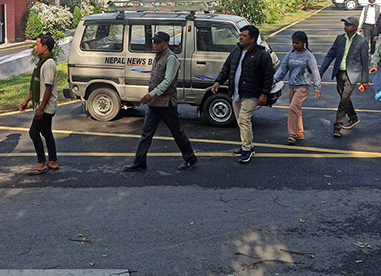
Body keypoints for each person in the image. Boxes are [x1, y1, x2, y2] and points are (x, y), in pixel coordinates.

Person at [124, 32, 198, 172]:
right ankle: (139, 162)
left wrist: (151, 95)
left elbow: (167, 82)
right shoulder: (158, 56)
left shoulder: (171, 59)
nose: (155, 45)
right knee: (146, 133)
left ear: (166, 43)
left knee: (177, 132)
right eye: (154, 42)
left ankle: (190, 158)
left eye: (158, 42)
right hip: (154, 104)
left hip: (166, 103)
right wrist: (152, 97)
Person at [211, 24, 275, 163]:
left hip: (251, 93)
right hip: (236, 92)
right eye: (240, 35)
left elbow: (268, 76)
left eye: (244, 35)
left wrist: (264, 94)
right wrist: (218, 81)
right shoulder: (236, 51)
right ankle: (248, 145)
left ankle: (246, 150)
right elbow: (227, 68)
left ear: (252, 39)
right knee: (241, 121)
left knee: (244, 119)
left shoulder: (262, 55)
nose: (240, 37)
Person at [320, 17, 370, 138]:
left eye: (347, 25)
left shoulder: (361, 42)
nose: (345, 26)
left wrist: (365, 80)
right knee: (344, 97)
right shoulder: (339, 39)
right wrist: (321, 70)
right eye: (345, 24)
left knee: (344, 99)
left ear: (354, 27)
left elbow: (365, 62)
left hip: (352, 74)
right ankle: (353, 117)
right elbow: (330, 54)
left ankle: (337, 126)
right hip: (339, 72)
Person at [20, 34, 59, 175]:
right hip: (42, 104)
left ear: (45, 47)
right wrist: (27, 100)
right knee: (46, 131)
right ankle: (53, 161)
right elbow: (38, 85)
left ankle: (41, 162)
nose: (35, 47)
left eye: (37, 45)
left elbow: (48, 88)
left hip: (46, 106)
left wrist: (41, 109)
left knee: (34, 132)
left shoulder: (48, 64)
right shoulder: (41, 62)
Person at [273, 31, 322, 145]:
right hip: (292, 86)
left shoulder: (308, 56)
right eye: (293, 43)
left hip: (303, 87)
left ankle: (292, 134)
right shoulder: (290, 54)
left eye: (297, 43)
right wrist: (273, 80)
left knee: (292, 109)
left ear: (304, 43)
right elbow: (282, 69)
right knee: (296, 110)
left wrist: (317, 87)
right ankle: (299, 132)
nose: (295, 45)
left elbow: (315, 72)